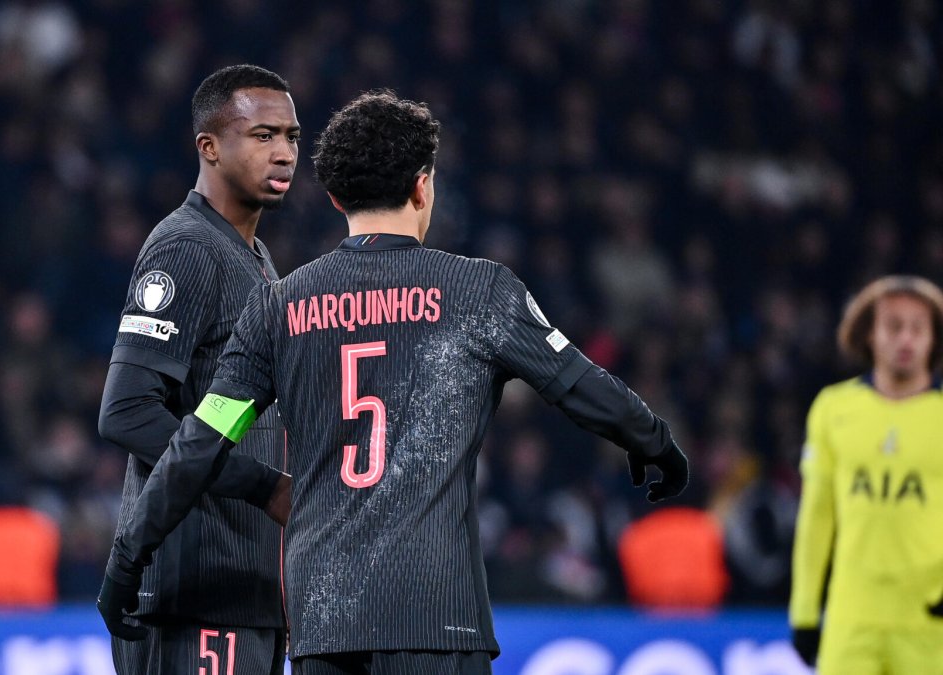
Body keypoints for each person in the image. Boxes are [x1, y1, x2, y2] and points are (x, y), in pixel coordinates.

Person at [99, 91, 688, 675]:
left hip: (324, 629)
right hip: (436, 623)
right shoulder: (478, 292)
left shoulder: (280, 307)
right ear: (422, 186)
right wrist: (653, 441)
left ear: (335, 197)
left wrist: (129, 556)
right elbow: (579, 385)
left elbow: (202, 440)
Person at [95, 64, 299, 675]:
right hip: (193, 593)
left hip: (248, 591)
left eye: (291, 136)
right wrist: (266, 487)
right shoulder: (186, 247)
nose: (284, 152)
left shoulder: (256, 257)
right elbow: (127, 412)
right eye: (263, 135)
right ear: (209, 147)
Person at [789, 275, 943, 674]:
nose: (906, 339)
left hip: (929, 617)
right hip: (852, 615)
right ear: (870, 333)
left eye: (917, 328)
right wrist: (805, 609)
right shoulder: (833, 408)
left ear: (933, 338)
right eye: (894, 326)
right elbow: (817, 515)